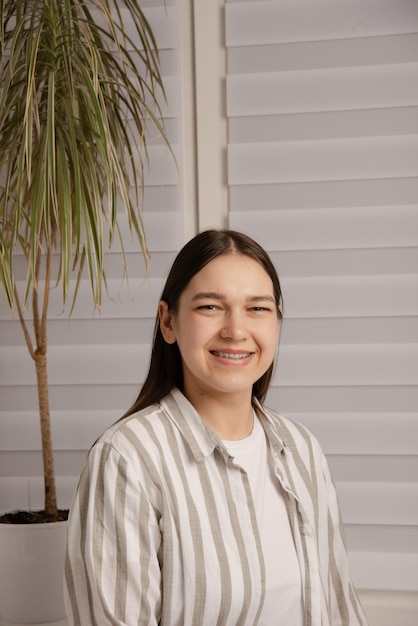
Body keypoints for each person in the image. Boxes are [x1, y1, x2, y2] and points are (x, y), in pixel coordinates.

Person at [64, 229, 368, 626]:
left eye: (257, 309)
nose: (235, 330)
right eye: (210, 307)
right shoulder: (128, 459)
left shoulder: (301, 449)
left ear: (277, 322)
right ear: (168, 322)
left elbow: (340, 607)